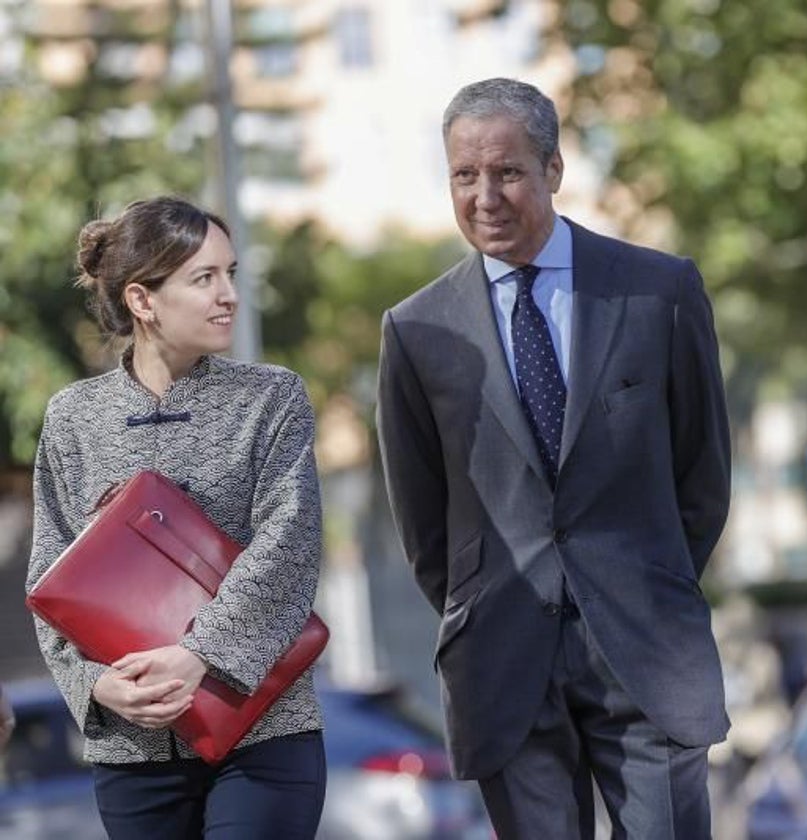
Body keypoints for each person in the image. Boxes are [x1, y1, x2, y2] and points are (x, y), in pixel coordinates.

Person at [377, 77, 731, 838]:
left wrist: (647, 579)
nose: (485, 196)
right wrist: (481, 607)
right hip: (504, 665)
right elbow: (423, 521)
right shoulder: (417, 330)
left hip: (648, 651)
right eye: (464, 176)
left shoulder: (658, 292)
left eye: (506, 172)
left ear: (554, 170)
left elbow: (703, 476)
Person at [27, 196, 326, 838]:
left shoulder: (271, 398)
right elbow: (49, 582)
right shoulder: (73, 418)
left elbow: (288, 548)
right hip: (133, 750)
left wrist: (201, 655)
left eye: (231, 274)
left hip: (263, 729)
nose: (229, 296)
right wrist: (96, 685)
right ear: (142, 300)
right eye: (204, 278)